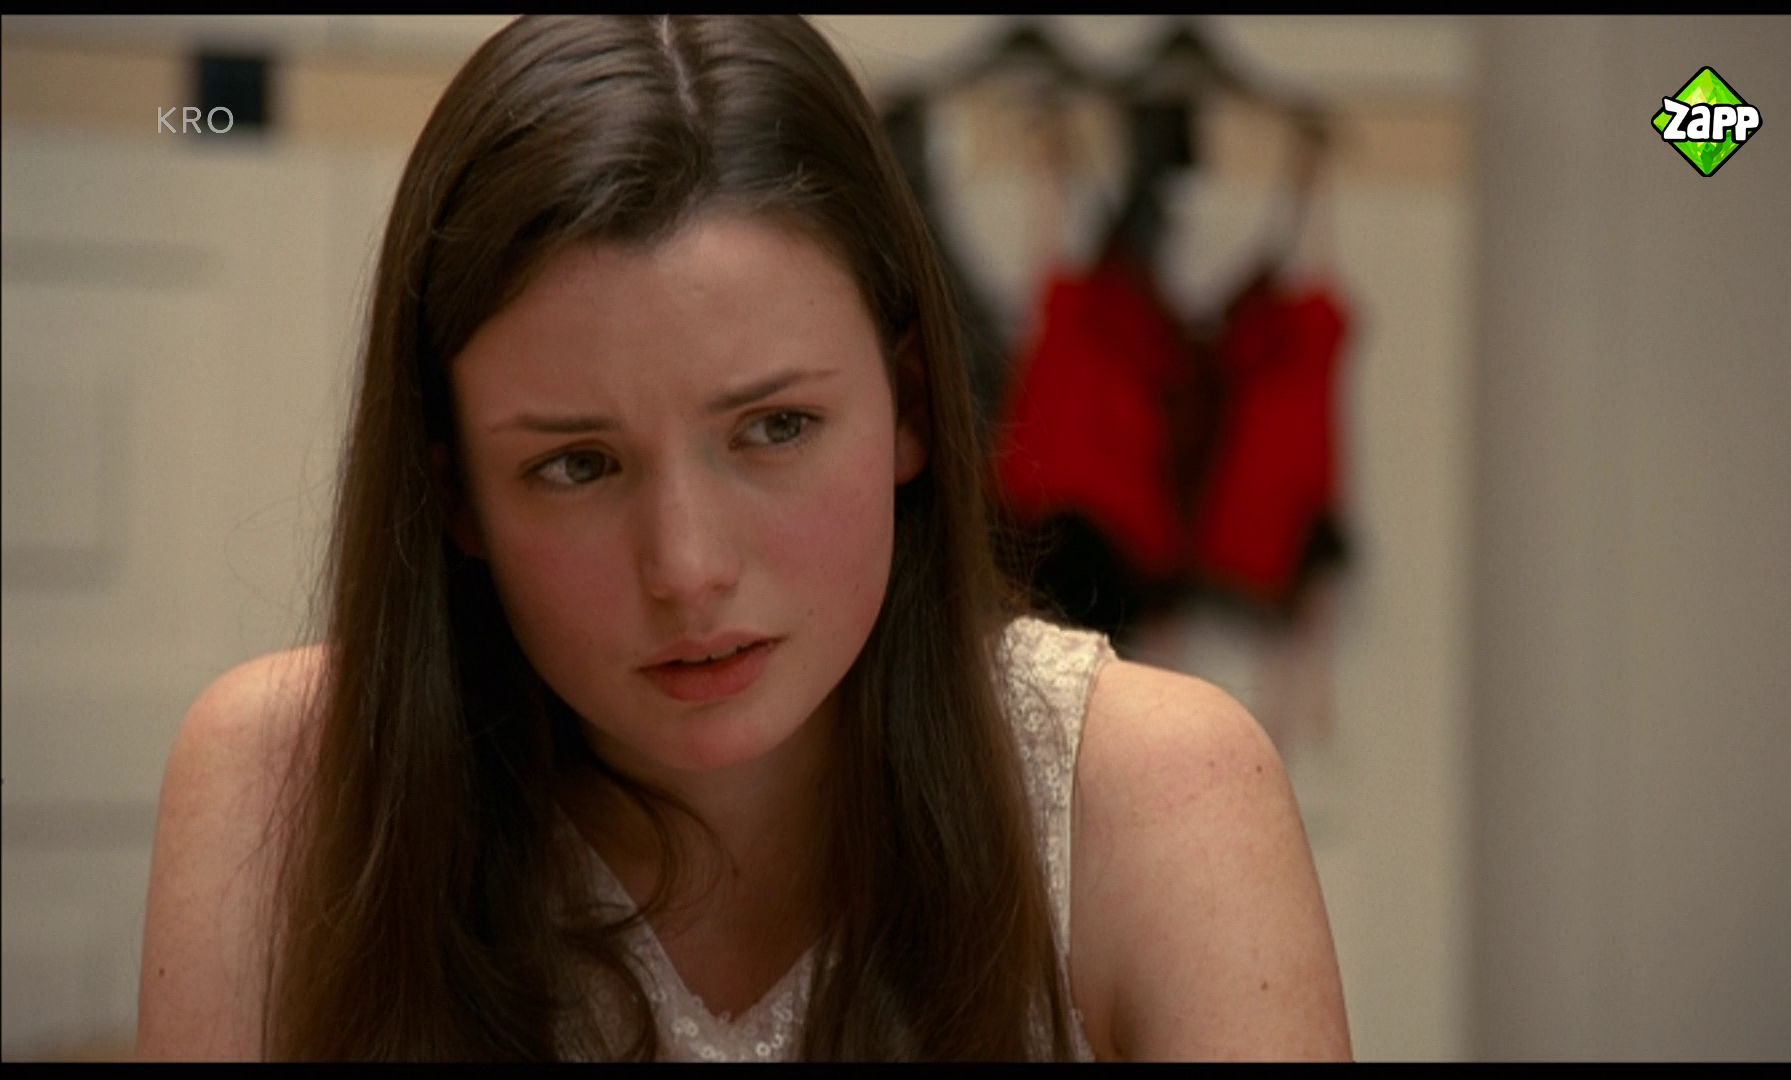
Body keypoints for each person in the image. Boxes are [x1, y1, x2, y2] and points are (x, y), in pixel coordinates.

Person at [133, 15, 1351, 1062]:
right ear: (453, 492)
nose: (687, 568)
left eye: (775, 428)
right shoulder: (284, 788)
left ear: (910, 408)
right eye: (576, 465)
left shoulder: (1149, 795)